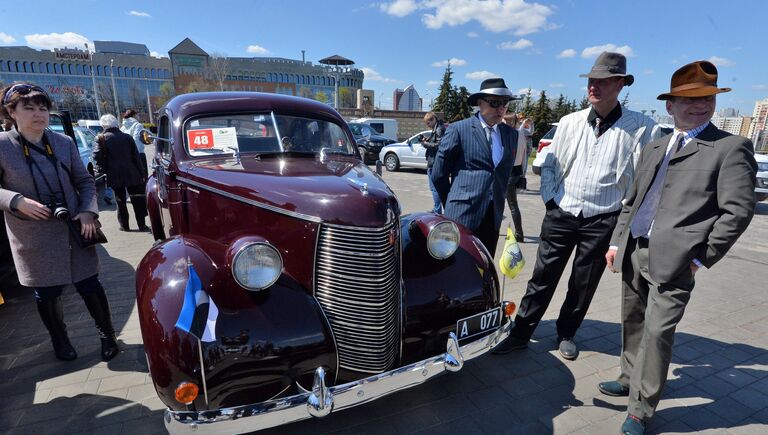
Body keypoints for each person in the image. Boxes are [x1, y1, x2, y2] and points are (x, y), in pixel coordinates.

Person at [599, 60, 757, 435]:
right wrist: (617, 242)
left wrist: (702, 257)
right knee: (633, 321)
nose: (698, 105)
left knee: (657, 333)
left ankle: (640, 408)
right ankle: (627, 376)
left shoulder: (730, 148)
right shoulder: (655, 146)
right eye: (688, 99)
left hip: (677, 261)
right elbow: (632, 201)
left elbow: (737, 212)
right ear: (669, 105)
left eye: (706, 98)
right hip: (636, 249)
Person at [493, 52, 661, 358]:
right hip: (563, 212)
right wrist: (550, 200)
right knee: (542, 276)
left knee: (584, 282)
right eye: (591, 80)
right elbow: (548, 164)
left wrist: (625, 220)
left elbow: (644, 178)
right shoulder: (570, 122)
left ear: (620, 84)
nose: (594, 86)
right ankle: (521, 332)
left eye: (602, 81)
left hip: (603, 217)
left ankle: (566, 333)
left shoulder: (640, 127)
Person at [0, 82, 119, 361]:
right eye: (28, 108)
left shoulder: (63, 143)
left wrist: (89, 211)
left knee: (91, 286)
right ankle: (60, 340)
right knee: (47, 293)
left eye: (42, 108)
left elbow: (85, 181)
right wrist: (16, 201)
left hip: (76, 229)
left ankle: (107, 337)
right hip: (33, 236)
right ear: (11, 112)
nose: (38, 114)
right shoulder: (2, 147)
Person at [430, 77, 518, 257]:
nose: (500, 109)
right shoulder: (459, 129)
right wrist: (453, 202)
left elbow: (502, 173)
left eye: (505, 103)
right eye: (494, 103)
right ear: (480, 102)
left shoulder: (511, 134)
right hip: (462, 213)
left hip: (493, 215)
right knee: (458, 266)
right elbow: (438, 174)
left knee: (485, 265)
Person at [94, 114, 148, 232]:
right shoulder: (127, 137)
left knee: (120, 201)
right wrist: (142, 172)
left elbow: (96, 156)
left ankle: (125, 226)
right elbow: (136, 156)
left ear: (103, 125)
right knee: (136, 199)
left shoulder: (101, 138)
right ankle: (142, 225)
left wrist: (102, 167)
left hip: (114, 175)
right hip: (132, 172)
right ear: (116, 124)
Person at [503, 113, 529, 241]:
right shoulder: (521, 134)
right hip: (516, 171)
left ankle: (519, 234)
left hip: (509, 172)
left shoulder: (511, 135)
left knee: (511, 205)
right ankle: (519, 233)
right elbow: (524, 155)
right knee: (513, 205)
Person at [420, 111, 445, 213]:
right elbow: (436, 142)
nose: (428, 125)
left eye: (428, 123)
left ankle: (437, 210)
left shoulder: (439, 129)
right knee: (436, 188)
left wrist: (426, 144)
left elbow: (439, 145)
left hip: (434, 162)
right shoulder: (438, 128)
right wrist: (428, 140)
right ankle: (437, 209)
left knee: (434, 188)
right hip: (434, 161)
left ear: (433, 119)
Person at [121, 109, 148, 179]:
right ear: (133, 116)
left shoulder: (122, 128)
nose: (138, 116)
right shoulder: (138, 125)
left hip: (126, 156)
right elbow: (137, 141)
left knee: (131, 179)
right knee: (143, 178)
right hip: (138, 155)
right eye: (137, 115)